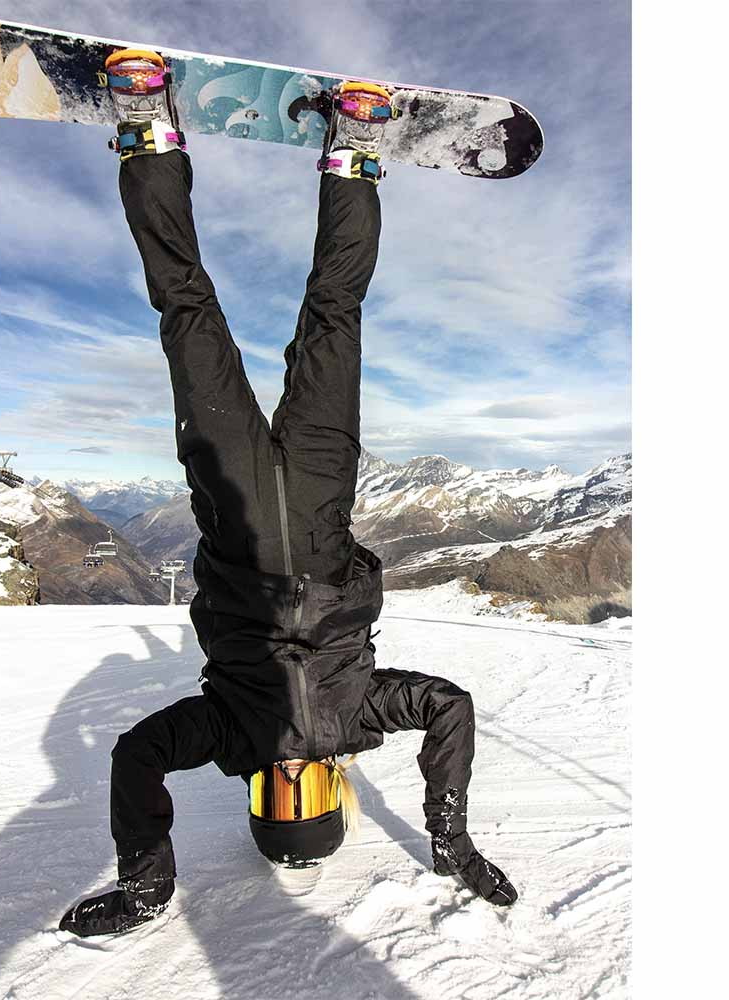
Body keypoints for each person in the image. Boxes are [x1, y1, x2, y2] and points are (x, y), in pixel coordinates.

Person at [60, 51, 517, 938]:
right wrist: (450, 838)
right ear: (333, 791)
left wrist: (147, 885)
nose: (294, 780)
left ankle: (162, 142)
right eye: (306, 797)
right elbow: (449, 708)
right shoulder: (344, 719)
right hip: (299, 492)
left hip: (250, 495)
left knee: (208, 314)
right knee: (312, 314)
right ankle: (338, 157)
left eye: (280, 799)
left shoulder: (238, 733)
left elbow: (136, 755)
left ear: (260, 798)